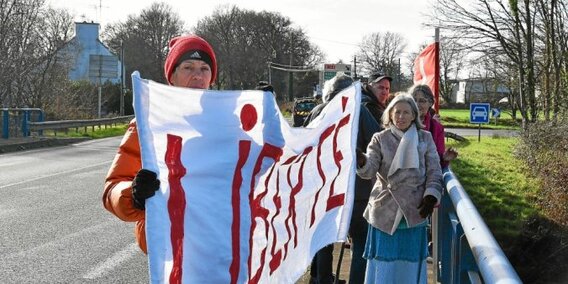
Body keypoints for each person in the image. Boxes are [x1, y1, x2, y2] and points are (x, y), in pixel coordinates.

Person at [102, 34, 217, 254]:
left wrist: (267, 121)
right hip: (169, 252)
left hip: (220, 249)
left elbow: (262, 174)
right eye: (188, 67)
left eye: (204, 69)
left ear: (211, 77)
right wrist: (134, 194)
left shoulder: (228, 123)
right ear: (171, 77)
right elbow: (111, 190)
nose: (197, 76)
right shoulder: (147, 125)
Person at [356, 93, 443, 283]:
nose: (401, 117)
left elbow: (435, 172)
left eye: (406, 112)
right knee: (384, 267)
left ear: (414, 115)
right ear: (390, 115)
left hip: (414, 211)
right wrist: (361, 160)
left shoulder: (425, 138)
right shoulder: (380, 138)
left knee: (410, 268)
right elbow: (369, 170)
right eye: (397, 112)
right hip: (384, 212)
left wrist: (430, 197)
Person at [304, 74, 380, 284]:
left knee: (323, 242)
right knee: (360, 243)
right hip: (357, 193)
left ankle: (322, 279)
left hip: (324, 192)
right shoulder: (360, 112)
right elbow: (377, 143)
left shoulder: (317, 112)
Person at [409, 84, 457, 167]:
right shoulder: (401, 123)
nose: (417, 104)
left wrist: (444, 158)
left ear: (430, 103)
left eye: (422, 101)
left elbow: (438, 161)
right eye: (414, 100)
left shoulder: (436, 128)